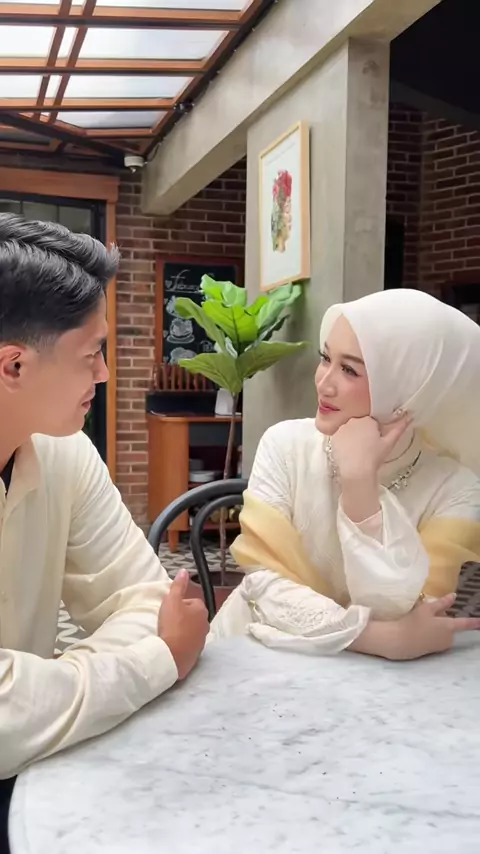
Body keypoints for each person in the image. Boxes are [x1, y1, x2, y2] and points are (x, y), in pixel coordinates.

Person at [0, 214, 209, 846]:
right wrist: (155, 661)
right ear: (13, 365)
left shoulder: (64, 452)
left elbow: (146, 600)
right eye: (91, 354)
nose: (105, 375)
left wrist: (46, 696)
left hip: (33, 771)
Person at [211, 288, 480, 659]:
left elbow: (412, 611)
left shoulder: (456, 487)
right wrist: (381, 639)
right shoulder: (285, 445)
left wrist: (360, 487)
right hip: (253, 655)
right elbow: (263, 585)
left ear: (411, 388)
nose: (323, 382)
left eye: (349, 369)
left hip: (376, 684)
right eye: (326, 358)